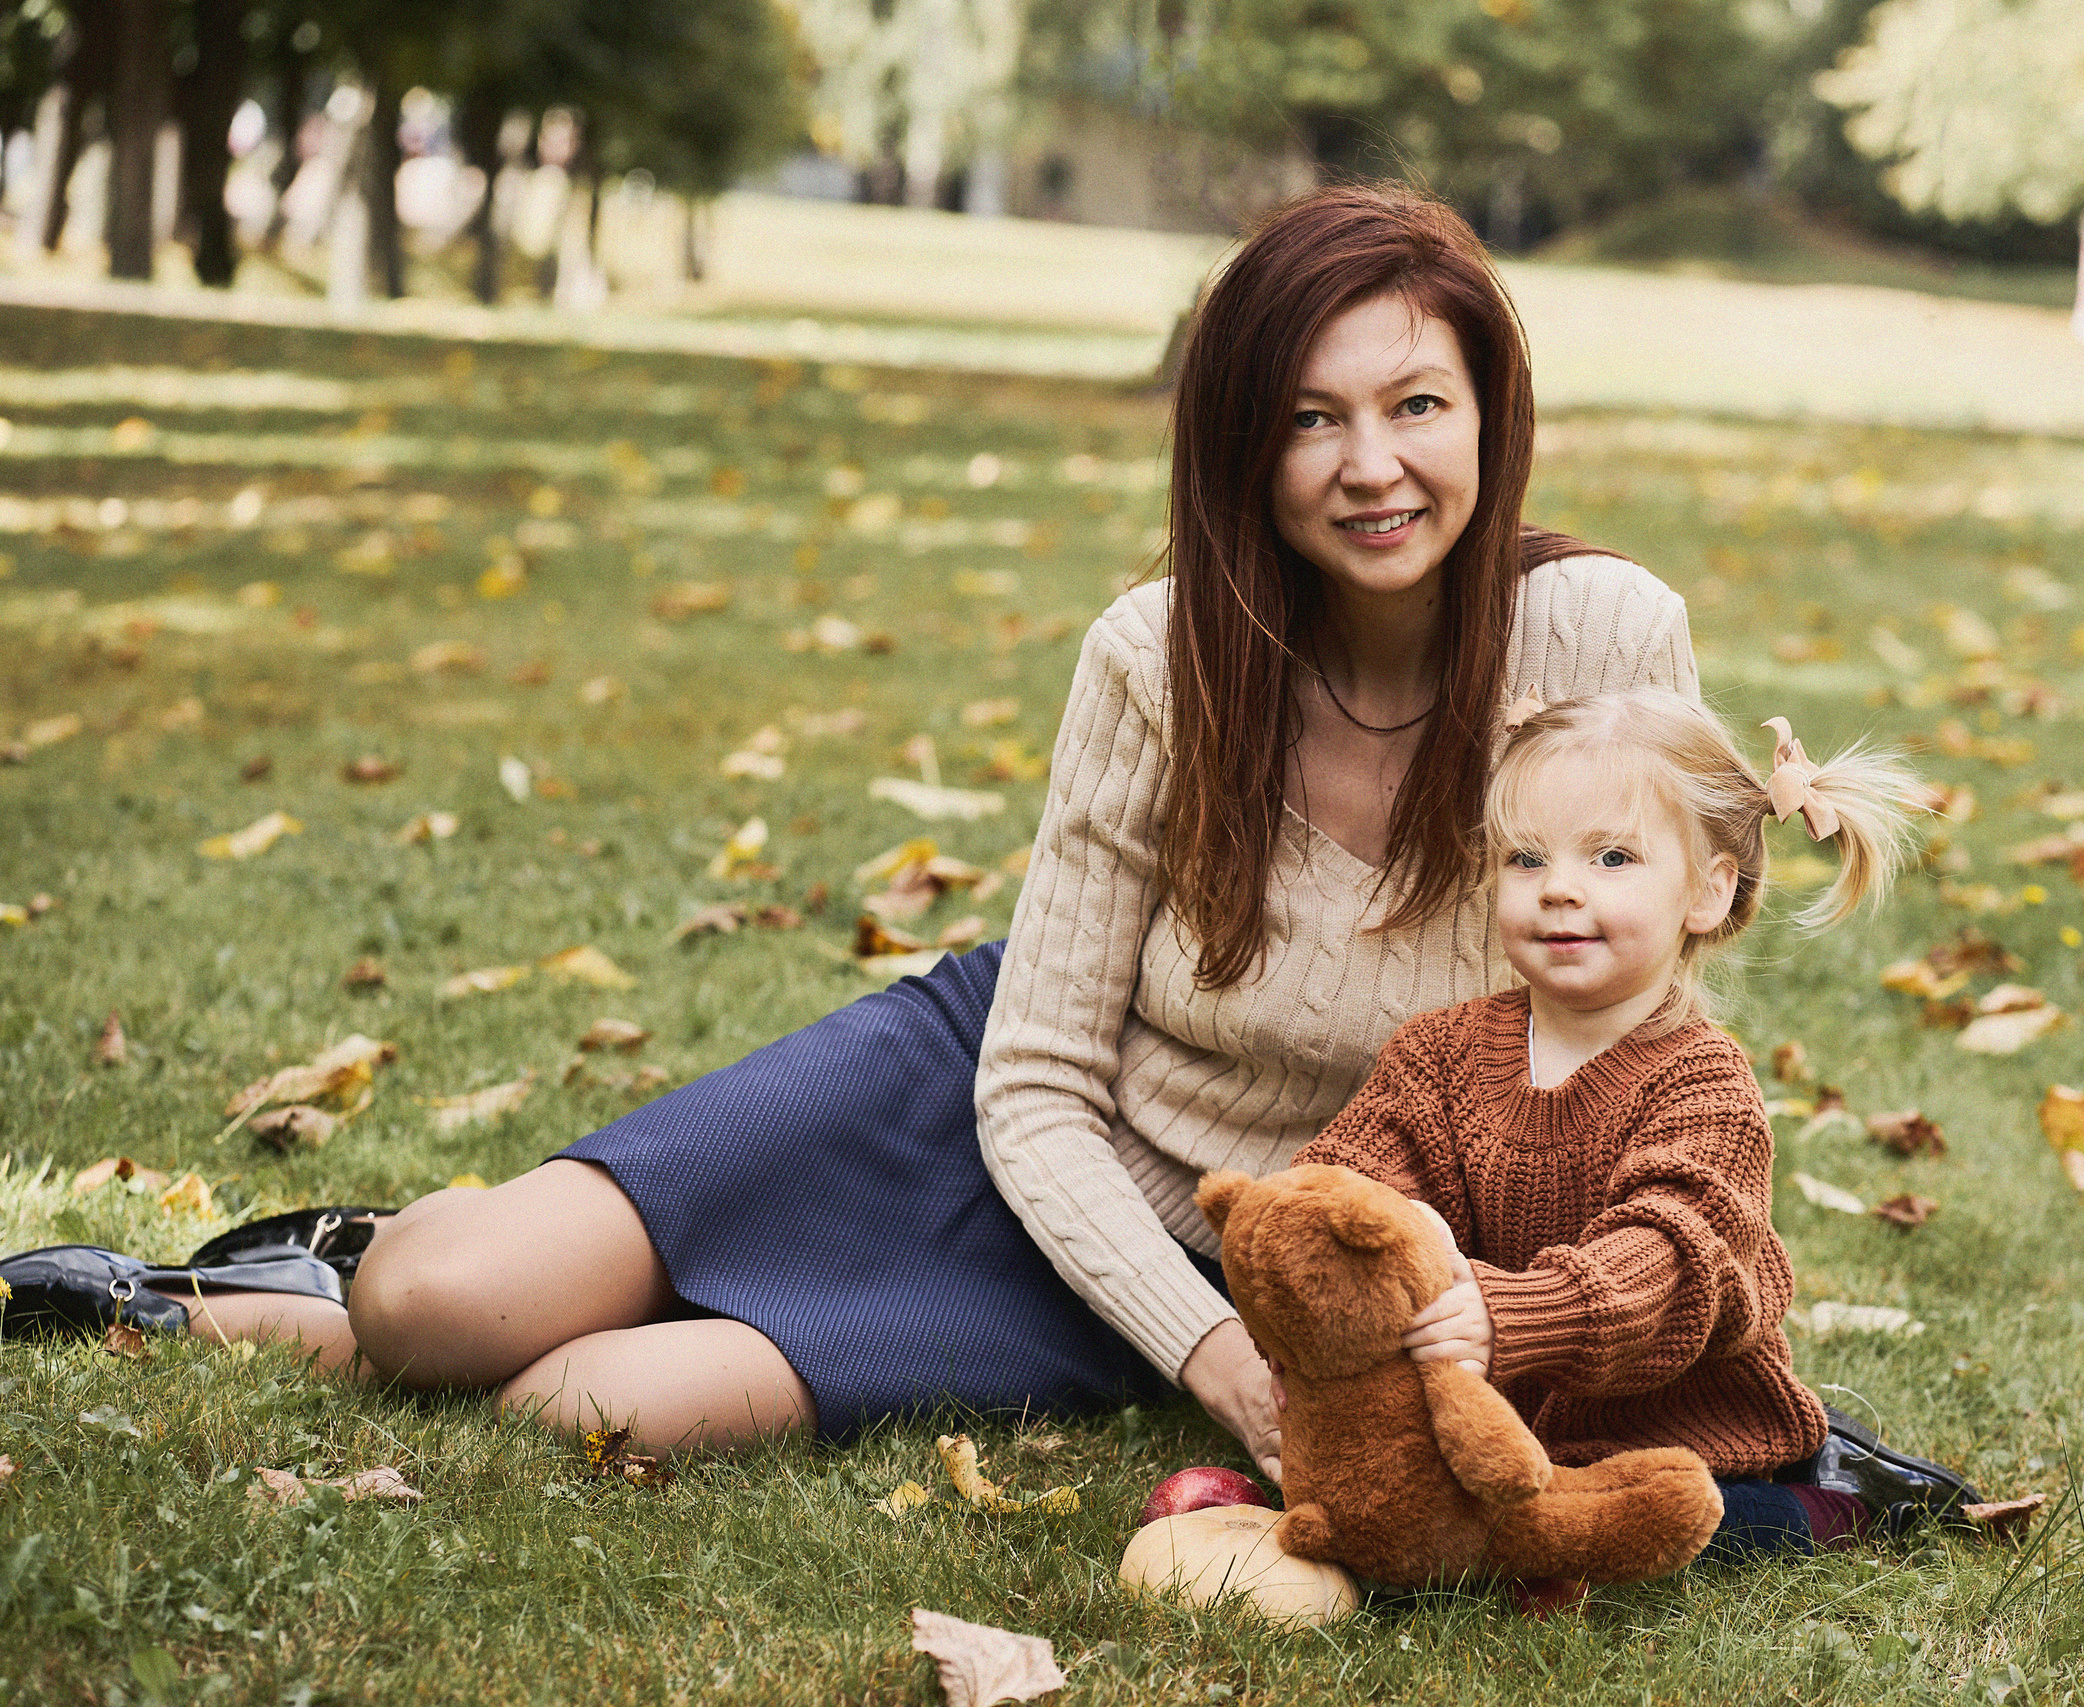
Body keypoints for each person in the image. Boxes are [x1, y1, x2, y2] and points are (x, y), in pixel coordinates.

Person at [0, 182, 1702, 1474]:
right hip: (997, 1104)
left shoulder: (1606, 640)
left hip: (1205, 1250)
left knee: (579, 1403)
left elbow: (1644, 1070)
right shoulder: (1159, 655)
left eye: (1416, 404)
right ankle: (336, 1264)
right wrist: (1213, 1367)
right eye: (1310, 418)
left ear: (1492, 412)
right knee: (434, 1309)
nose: (1371, 465)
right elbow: (1035, 1082)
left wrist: (1251, 1332)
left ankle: (262, 1315)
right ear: (1242, 451)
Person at [1292, 688, 1983, 1559]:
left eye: (1613, 858)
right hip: (1508, 1417)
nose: (1560, 890)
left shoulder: (1702, 1083)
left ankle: (1836, 1503)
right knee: (1432, 1511)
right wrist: (1343, 1244)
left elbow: (1668, 1257)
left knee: (1647, 1523)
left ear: (1707, 891)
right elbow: (1350, 1174)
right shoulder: (1441, 1053)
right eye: (1526, 859)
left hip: (1681, 1427)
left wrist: (1517, 1314)